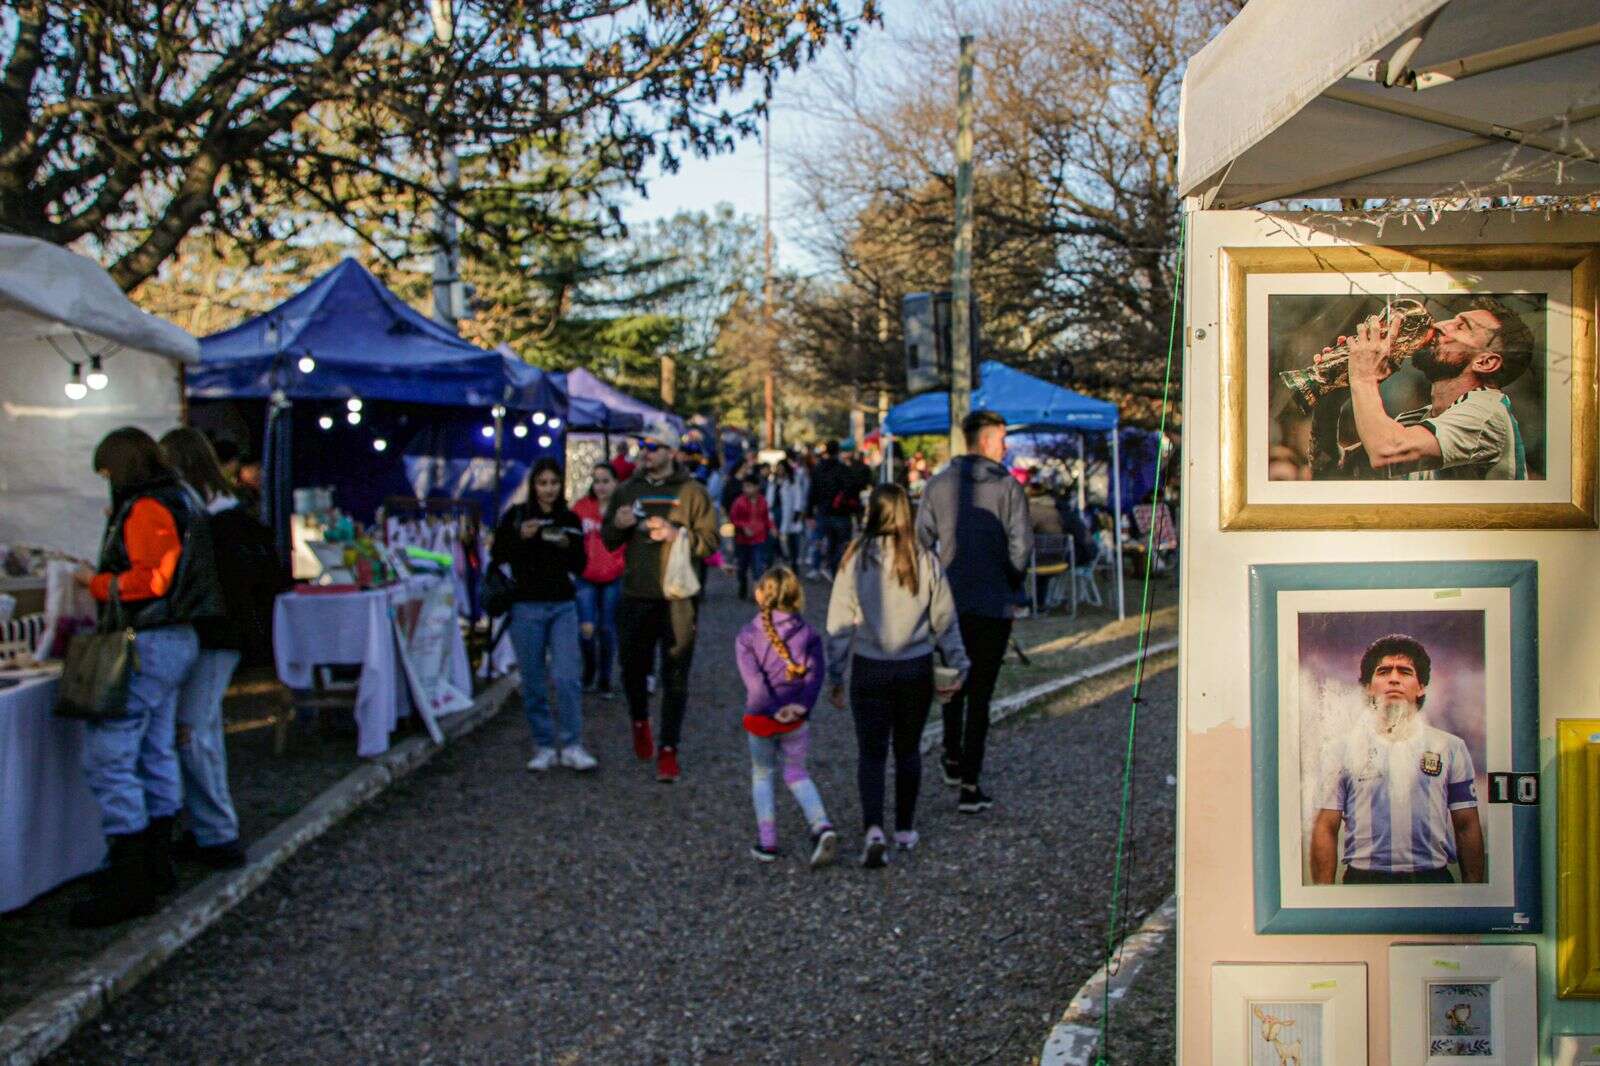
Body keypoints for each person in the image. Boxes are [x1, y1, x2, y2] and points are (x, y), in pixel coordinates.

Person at [69, 428, 224, 927]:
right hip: (175, 640)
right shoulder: (184, 497)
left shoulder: (149, 506)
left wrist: (92, 582)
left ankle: (131, 875)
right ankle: (153, 866)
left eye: (108, 472)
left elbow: (150, 579)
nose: (107, 483)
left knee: (111, 755)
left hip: (148, 642)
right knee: (155, 748)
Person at [159, 428, 284, 870]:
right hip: (219, 637)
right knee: (196, 731)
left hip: (217, 638)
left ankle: (216, 832)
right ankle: (206, 827)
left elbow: (233, 590)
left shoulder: (216, 522)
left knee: (194, 732)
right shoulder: (226, 517)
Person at [826, 485, 968, 867]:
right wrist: (959, 665)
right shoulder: (924, 558)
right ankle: (904, 828)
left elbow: (839, 623)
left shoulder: (855, 557)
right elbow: (945, 620)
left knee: (871, 754)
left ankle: (873, 828)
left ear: (872, 511)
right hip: (915, 667)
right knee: (908, 750)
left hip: (870, 666)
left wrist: (835, 674)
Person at [916, 410, 1032, 814]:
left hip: (949, 601)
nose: (1006, 446)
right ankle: (969, 780)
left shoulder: (936, 486)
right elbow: (1021, 547)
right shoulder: (1007, 488)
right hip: (992, 601)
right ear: (985, 441)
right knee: (981, 692)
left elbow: (920, 542)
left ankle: (951, 754)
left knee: (952, 682)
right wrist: (1012, 583)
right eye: (1001, 438)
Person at [1310, 635, 1486, 885]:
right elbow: (1326, 827)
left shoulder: (1450, 748)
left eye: (1405, 671)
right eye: (1383, 671)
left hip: (1432, 881)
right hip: (1364, 881)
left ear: (1421, 685)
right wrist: (1322, 899)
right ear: (1369, 686)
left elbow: (1466, 824)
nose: (1394, 678)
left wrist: (1475, 894)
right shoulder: (1340, 750)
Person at [601, 425, 719, 783]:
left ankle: (669, 748)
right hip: (636, 594)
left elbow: (711, 542)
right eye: (641, 445)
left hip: (678, 597)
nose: (645, 452)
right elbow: (608, 540)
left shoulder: (693, 493)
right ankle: (640, 720)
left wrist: (676, 534)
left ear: (671, 451)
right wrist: (619, 525)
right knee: (632, 670)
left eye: (653, 446)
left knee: (676, 675)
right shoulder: (627, 490)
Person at [1317, 297, 1535, 480]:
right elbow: (1330, 473)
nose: (1440, 325)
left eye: (1461, 326)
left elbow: (1386, 452)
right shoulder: (1415, 422)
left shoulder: (1488, 413)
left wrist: (1363, 378)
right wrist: (1332, 400)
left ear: (1485, 362)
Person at [491, 459, 597, 773]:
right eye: (543, 482)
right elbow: (498, 556)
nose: (548, 489)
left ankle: (573, 744)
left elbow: (580, 565)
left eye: (553, 482)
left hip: (562, 605)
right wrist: (519, 537)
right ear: (533, 485)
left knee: (567, 678)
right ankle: (544, 744)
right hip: (525, 606)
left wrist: (567, 544)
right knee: (534, 680)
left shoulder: (570, 518)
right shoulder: (516, 517)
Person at [734, 566, 838, 866]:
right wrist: (801, 705)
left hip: (761, 718)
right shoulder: (808, 634)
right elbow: (815, 676)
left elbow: (754, 683)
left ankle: (768, 842)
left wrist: (770, 709)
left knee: (763, 774)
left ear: (758, 595)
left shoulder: (748, 636)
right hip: (796, 718)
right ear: (797, 596)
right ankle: (821, 825)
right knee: (797, 773)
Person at [572, 461, 626, 696]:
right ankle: (589, 669)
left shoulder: (623, 510)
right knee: (586, 627)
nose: (601, 486)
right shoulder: (581, 508)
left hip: (614, 576)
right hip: (586, 575)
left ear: (616, 483)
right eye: (597, 481)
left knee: (607, 629)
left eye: (606, 481)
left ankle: (604, 678)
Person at [807, 440, 868, 577]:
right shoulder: (843, 469)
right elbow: (853, 489)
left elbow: (812, 492)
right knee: (841, 544)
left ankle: (824, 566)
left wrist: (809, 512)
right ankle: (836, 568)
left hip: (824, 512)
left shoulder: (819, 469)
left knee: (826, 542)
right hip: (841, 513)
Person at [729, 476, 776, 600]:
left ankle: (757, 592)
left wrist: (772, 527)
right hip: (742, 540)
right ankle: (743, 585)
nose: (746, 489)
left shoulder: (763, 501)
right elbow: (733, 519)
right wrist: (743, 527)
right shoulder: (739, 502)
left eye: (749, 486)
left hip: (759, 538)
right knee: (742, 567)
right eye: (745, 486)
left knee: (758, 566)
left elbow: (766, 518)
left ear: (756, 487)